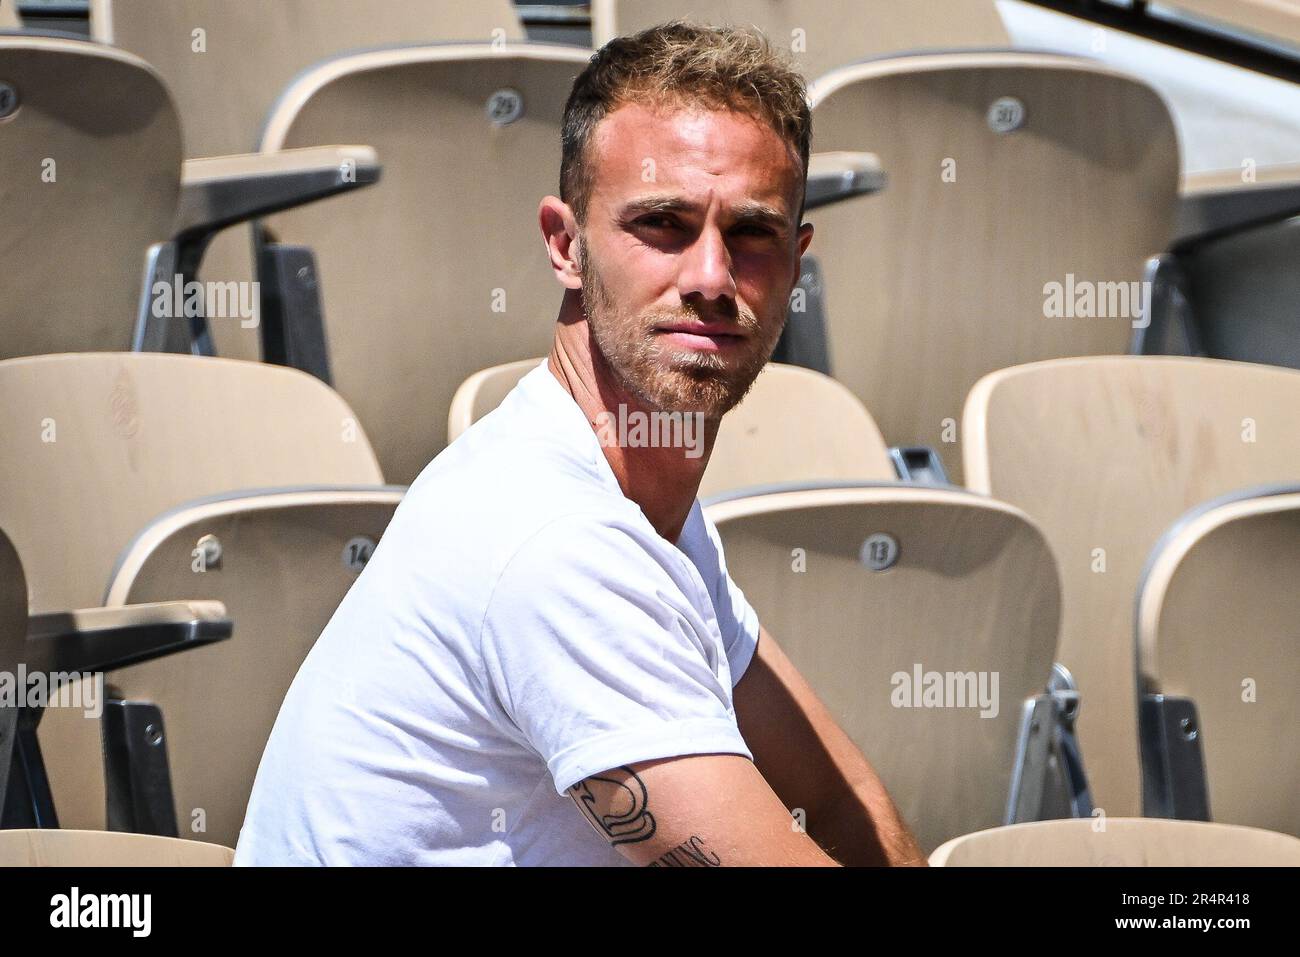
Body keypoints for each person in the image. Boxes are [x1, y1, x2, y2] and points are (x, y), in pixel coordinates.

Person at [235, 21, 924, 867]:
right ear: (566, 245)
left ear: (795, 258)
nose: (711, 277)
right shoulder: (554, 537)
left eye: (751, 233)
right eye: (663, 223)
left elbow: (832, 801)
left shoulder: (641, 505)